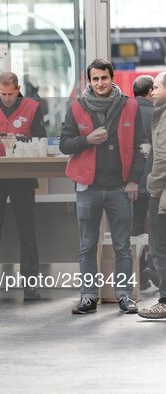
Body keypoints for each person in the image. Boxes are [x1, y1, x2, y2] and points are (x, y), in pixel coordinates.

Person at [60, 59, 146, 314]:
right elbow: (65, 144)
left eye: (104, 78)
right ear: (89, 81)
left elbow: (143, 147)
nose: (100, 83)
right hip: (88, 187)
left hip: (120, 187)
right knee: (87, 245)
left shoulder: (130, 106)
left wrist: (133, 180)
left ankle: (124, 296)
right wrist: (87, 140)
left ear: (112, 78)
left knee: (122, 245)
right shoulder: (77, 108)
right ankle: (88, 297)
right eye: (95, 79)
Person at [0, 71, 46, 301]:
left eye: (11, 93)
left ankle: (30, 285)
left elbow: (41, 139)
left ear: (18, 89)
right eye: (3, 93)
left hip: (22, 177)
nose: (7, 98)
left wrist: (20, 140)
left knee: (28, 233)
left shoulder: (33, 108)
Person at [139, 71, 166, 319]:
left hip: (162, 195)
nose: (153, 91)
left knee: (160, 247)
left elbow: (162, 159)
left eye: (157, 87)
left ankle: (165, 301)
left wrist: (152, 188)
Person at [132, 75, 155, 236]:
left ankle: (135, 260)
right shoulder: (157, 114)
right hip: (153, 178)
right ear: (150, 91)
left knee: (135, 225)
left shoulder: (125, 113)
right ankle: (152, 261)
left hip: (130, 179)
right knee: (155, 225)